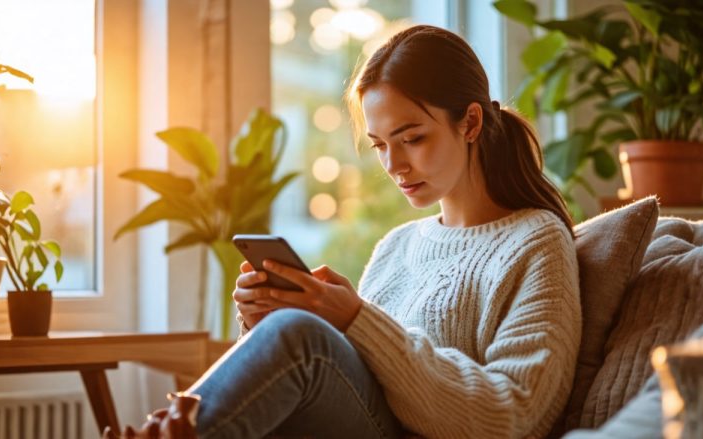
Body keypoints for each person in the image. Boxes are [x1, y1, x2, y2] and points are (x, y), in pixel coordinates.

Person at [106, 24, 581, 439]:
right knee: (290, 327)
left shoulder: (535, 241)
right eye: (379, 145)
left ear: (470, 122)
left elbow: (515, 417)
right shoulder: (398, 246)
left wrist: (356, 317)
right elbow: (349, 378)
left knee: (300, 336)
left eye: (412, 138)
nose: (394, 165)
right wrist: (262, 318)